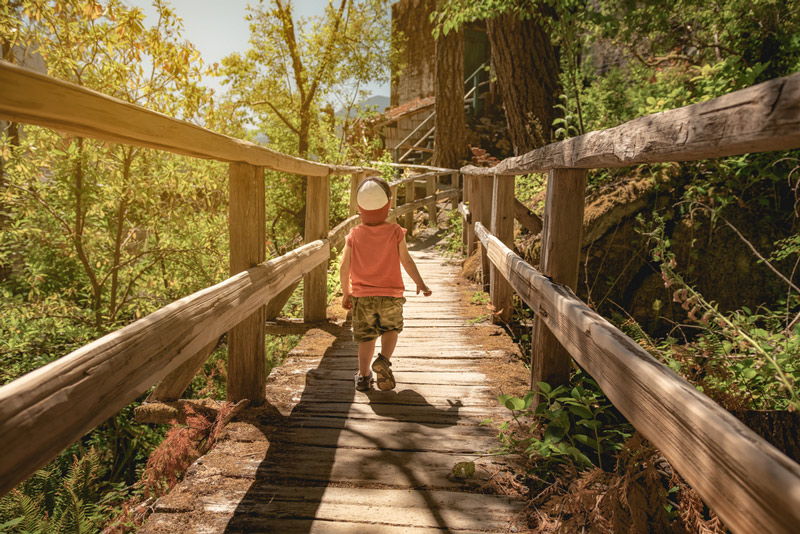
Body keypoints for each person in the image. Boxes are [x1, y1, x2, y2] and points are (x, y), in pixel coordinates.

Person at [340, 176, 432, 391]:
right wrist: (420, 283)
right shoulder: (395, 232)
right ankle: (383, 360)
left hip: (362, 297)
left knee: (366, 337)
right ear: (389, 204)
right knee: (391, 329)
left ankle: (363, 377)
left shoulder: (354, 235)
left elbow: (344, 267)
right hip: (391, 295)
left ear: (358, 207)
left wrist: (347, 292)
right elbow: (406, 261)